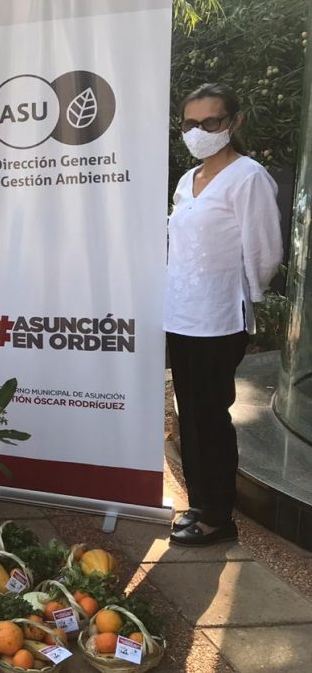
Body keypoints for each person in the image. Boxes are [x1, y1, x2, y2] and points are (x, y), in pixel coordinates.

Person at [166, 83, 283, 546]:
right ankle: (199, 502)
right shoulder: (187, 180)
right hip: (181, 315)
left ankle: (218, 516)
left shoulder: (248, 177)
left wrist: (248, 298)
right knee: (190, 415)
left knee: (211, 416)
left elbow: (264, 250)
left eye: (210, 122)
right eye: (190, 123)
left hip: (218, 318)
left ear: (233, 122)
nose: (199, 131)